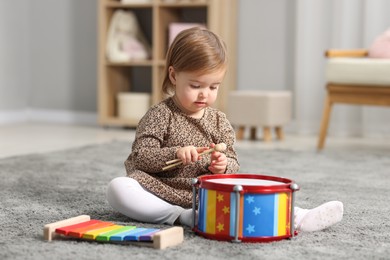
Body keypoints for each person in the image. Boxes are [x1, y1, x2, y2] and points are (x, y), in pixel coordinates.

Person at [106, 27, 343, 232]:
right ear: (174, 75)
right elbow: (140, 157)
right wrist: (175, 153)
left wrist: (222, 165)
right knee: (119, 187)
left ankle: (298, 216)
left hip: (207, 193)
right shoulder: (160, 115)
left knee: (245, 187)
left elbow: (233, 162)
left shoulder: (219, 121)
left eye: (213, 86)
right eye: (196, 85)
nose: (204, 94)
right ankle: (181, 216)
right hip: (161, 190)